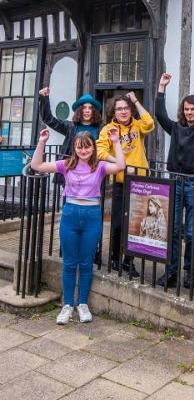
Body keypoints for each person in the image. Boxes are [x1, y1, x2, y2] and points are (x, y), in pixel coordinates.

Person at [31, 128, 125, 325]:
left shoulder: (99, 166)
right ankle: (67, 305)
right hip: (70, 214)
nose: (83, 150)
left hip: (91, 216)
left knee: (85, 263)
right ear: (74, 148)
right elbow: (37, 165)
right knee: (69, 263)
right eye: (79, 147)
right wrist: (42, 141)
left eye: (87, 147)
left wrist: (115, 141)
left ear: (93, 148)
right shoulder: (67, 164)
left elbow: (120, 166)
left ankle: (82, 304)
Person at [155, 72, 194, 289]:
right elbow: (160, 114)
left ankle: (189, 272)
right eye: (187, 109)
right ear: (183, 111)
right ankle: (171, 272)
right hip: (174, 182)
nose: (190, 112)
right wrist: (162, 87)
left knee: (190, 232)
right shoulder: (176, 128)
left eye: (193, 109)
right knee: (172, 230)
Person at [97, 92, 155, 275]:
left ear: (130, 110)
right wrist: (119, 163)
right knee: (117, 223)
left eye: (126, 108)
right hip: (121, 182)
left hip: (140, 182)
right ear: (113, 111)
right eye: (119, 108)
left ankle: (128, 261)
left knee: (135, 223)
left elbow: (150, 123)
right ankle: (114, 257)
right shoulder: (108, 129)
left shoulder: (138, 126)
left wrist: (136, 101)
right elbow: (100, 151)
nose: (123, 112)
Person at [38, 87, 103, 157]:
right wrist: (44, 98)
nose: (87, 110)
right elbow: (48, 119)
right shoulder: (70, 127)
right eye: (84, 108)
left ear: (94, 111)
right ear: (79, 110)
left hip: (93, 166)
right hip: (71, 166)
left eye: (90, 108)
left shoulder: (100, 129)